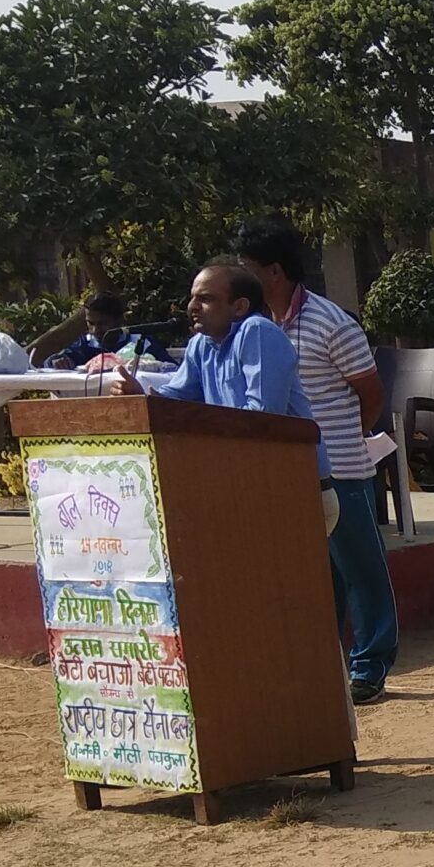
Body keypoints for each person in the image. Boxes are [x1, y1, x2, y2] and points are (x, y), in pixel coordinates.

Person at [237, 219, 398, 705]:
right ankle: (321, 667)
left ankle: (369, 667)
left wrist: (342, 441)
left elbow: (371, 394)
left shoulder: (331, 322)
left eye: (247, 267)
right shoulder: (254, 328)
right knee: (315, 576)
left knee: (361, 571)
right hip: (287, 474)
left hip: (342, 470)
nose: (240, 277)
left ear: (274, 271)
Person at [129, 263, 313, 425]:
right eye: (193, 297)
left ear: (239, 307)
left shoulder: (257, 331)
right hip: (232, 450)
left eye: (205, 299)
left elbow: (264, 415)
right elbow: (177, 398)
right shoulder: (200, 343)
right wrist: (141, 398)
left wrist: (199, 420)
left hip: (284, 452)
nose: (192, 306)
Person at [43, 292, 166, 370]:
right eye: (91, 323)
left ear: (119, 320)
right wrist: (57, 361)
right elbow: (50, 362)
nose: (95, 330)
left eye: (102, 323)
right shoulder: (85, 344)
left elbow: (170, 368)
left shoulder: (140, 342)